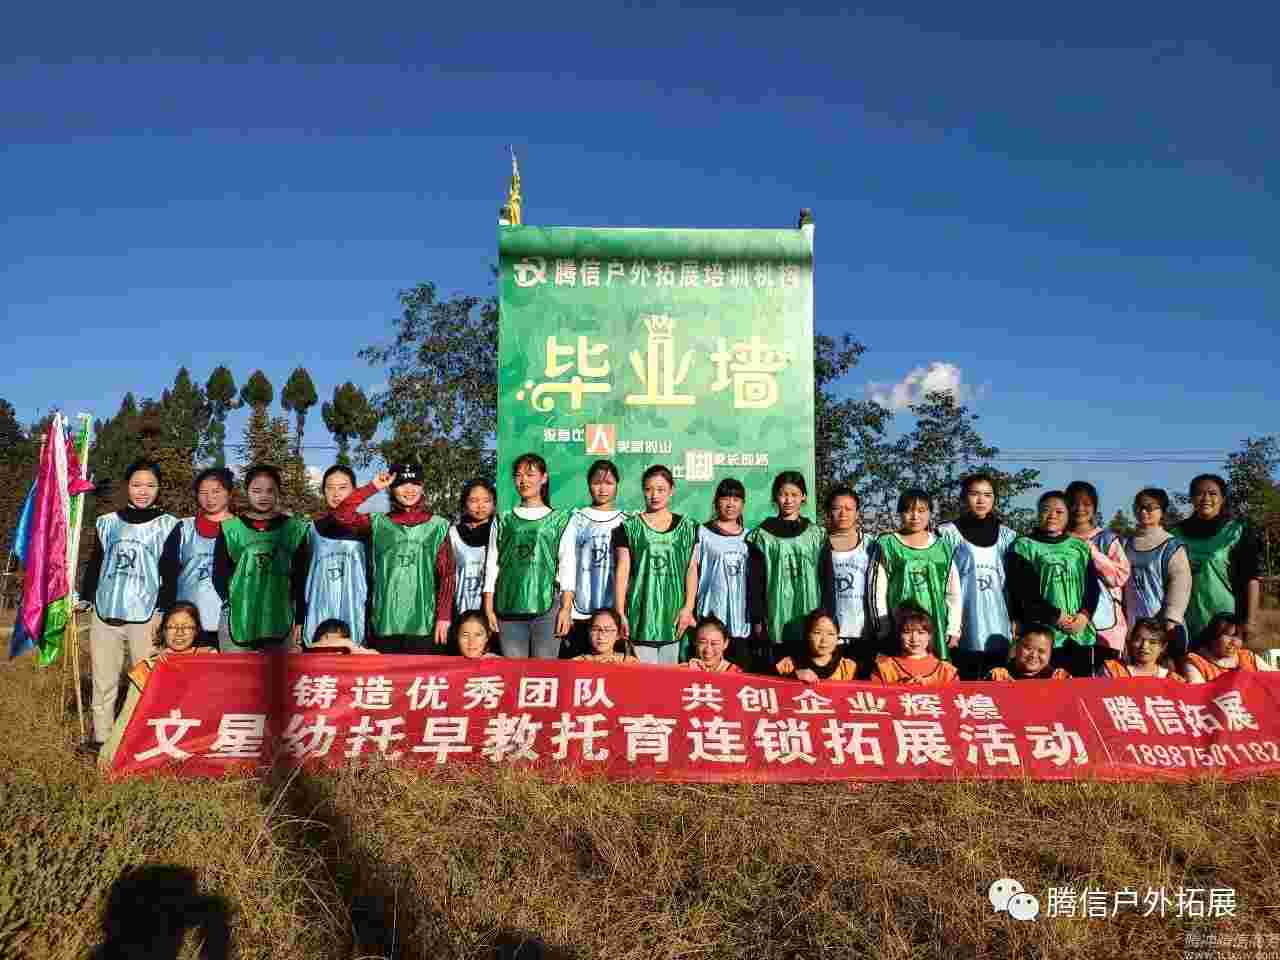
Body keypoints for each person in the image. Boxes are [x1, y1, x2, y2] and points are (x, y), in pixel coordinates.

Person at [81, 459, 179, 751]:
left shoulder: (168, 525)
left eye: (150, 485)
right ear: (127, 486)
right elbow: (95, 564)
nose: (143, 491)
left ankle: (140, 740)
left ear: (159, 489)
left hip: (146, 614)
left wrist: (165, 610)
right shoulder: (107, 522)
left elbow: (171, 571)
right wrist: (85, 597)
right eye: (137, 485)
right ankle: (102, 739)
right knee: (103, 680)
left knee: (145, 681)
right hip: (106, 612)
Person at [333, 463, 454, 655]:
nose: (409, 489)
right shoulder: (378, 523)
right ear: (391, 488)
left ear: (422, 486)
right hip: (385, 621)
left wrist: (444, 616)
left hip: (423, 622)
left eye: (415, 483)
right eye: (402, 484)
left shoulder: (437, 526)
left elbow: (447, 574)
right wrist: (373, 487)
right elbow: (341, 514)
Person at [98, 602, 217, 769]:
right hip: (162, 742)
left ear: (196, 630)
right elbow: (127, 717)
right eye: (172, 627)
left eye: (187, 627)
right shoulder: (148, 668)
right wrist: (107, 756)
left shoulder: (210, 659)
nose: (179, 632)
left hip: (199, 744)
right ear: (163, 631)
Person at [484, 453, 573, 659]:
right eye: (518, 475)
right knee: (514, 671)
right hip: (508, 605)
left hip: (547, 606)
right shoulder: (503, 519)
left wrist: (566, 608)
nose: (523, 480)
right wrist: (488, 607)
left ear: (544, 478)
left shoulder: (560, 519)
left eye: (530, 474)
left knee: (544, 672)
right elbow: (492, 565)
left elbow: (567, 565)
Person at [212, 465, 309, 652]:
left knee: (279, 671)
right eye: (257, 491)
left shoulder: (295, 529)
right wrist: (233, 600)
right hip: (239, 615)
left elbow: (301, 578)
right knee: (235, 670)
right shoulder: (230, 528)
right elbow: (219, 573)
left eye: (270, 491)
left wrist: (299, 619)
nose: (263, 496)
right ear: (247, 491)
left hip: (281, 617)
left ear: (278, 492)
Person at [1006, 490, 1101, 676]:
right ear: (1038, 513)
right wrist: (1056, 616)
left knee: (1079, 687)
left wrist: (1084, 616)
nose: (1052, 516)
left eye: (1059, 512)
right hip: (1043, 635)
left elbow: (1092, 588)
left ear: (1068, 515)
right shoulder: (1023, 546)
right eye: (1046, 510)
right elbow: (1023, 593)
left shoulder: (1079, 547)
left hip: (1079, 633)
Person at [612, 464, 699, 665]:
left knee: (670, 676)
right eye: (649, 489)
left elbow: (691, 568)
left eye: (661, 489)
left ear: (671, 490)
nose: (654, 495)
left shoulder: (688, 527)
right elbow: (622, 571)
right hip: (641, 613)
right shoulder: (629, 527)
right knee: (643, 677)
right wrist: (620, 612)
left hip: (674, 615)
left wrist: (688, 607)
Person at [937, 474, 1018, 680]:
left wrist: (1016, 618)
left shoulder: (1008, 536)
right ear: (964, 497)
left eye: (987, 495)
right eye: (974, 494)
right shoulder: (947, 533)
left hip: (998, 622)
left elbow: (1014, 584)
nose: (981, 500)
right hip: (963, 621)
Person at [1169, 474, 1265, 649]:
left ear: (1223, 498)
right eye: (1199, 493)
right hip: (1183, 620)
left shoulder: (1237, 532)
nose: (1206, 498)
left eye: (1213, 493)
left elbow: (1251, 578)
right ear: (1191, 498)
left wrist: (1250, 621)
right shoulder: (1175, 534)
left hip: (1227, 622)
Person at [868, 489, 962, 660]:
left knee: (934, 669)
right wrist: (883, 626)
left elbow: (953, 592)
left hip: (935, 622)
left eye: (921, 510)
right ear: (899, 513)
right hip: (899, 625)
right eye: (908, 510)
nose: (915, 516)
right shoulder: (887, 544)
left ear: (930, 513)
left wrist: (953, 628)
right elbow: (877, 590)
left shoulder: (942, 547)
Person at [746, 471, 826, 667]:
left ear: (804, 496)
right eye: (783, 494)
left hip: (810, 611)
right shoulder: (762, 535)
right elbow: (755, 582)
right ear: (776, 497)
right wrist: (757, 619)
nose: (788, 500)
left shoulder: (817, 534)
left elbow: (826, 578)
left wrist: (826, 613)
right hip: (775, 614)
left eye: (794, 494)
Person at [158, 467, 234, 648]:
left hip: (229, 621)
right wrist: (165, 611)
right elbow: (168, 573)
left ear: (229, 493)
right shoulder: (184, 528)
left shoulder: (242, 529)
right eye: (203, 492)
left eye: (216, 491)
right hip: (187, 622)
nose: (210, 498)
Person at [557, 460, 627, 658]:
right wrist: (566, 607)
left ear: (617, 485)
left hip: (614, 614)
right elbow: (567, 564)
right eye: (597, 483)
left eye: (609, 483)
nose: (602, 489)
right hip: (582, 611)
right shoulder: (578, 519)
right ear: (588, 485)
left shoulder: (626, 520)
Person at [296, 465, 370, 649]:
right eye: (330, 488)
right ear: (323, 491)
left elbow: (374, 577)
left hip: (355, 612)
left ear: (355, 491)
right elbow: (301, 576)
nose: (336, 493)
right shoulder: (311, 530)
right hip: (318, 613)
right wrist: (299, 619)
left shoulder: (366, 528)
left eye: (343, 487)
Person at [1122, 488, 1192, 658]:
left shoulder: (1172, 546)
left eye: (1150, 507)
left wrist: (1171, 619)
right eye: (1139, 507)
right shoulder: (1124, 544)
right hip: (1133, 627)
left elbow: (1180, 583)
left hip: (1164, 627)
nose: (1143, 511)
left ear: (1162, 511)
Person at [688, 478, 751, 661]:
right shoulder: (702, 532)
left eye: (736, 499)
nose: (730, 504)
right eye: (725, 498)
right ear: (716, 502)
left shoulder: (751, 536)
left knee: (738, 672)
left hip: (740, 619)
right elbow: (692, 569)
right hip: (711, 615)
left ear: (743, 504)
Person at [1066, 480, 1131, 654]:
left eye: (1086, 504)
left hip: (1107, 625)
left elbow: (1120, 576)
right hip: (1069, 622)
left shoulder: (1107, 539)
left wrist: (1092, 552)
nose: (1080, 508)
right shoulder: (1058, 539)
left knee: (1108, 667)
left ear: (1094, 507)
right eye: (1074, 503)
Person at [818, 485, 873, 674]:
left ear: (857, 512)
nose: (843, 514)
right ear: (828, 512)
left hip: (864, 631)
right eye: (837, 508)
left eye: (849, 508)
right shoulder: (818, 544)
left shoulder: (871, 544)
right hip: (829, 635)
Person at [869, 605, 959, 686]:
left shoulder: (947, 671)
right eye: (907, 632)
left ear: (929, 636)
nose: (914, 639)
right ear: (899, 635)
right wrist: (901, 688)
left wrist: (931, 689)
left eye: (921, 632)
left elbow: (956, 696)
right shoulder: (884, 668)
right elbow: (875, 695)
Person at [449, 479, 496, 621]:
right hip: (462, 609)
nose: (480, 506)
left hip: (495, 610)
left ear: (494, 503)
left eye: (486, 500)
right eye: (474, 500)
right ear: (465, 503)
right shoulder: (453, 534)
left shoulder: (500, 532)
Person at [1181, 613, 1275, 683]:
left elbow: (1273, 679)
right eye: (1229, 635)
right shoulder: (1196, 663)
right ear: (1213, 636)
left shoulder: (1249, 658)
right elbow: (1198, 693)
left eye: (1239, 637)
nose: (1235, 642)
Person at [775, 609, 857, 683]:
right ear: (807, 635)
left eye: (831, 634)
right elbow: (771, 684)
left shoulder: (847, 668)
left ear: (837, 637)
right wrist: (793, 676)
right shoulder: (789, 665)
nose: (824, 640)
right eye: (817, 633)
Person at [1096, 617, 1185, 680]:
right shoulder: (1112, 670)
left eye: (1152, 642)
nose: (1144, 646)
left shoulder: (1172, 679)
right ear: (1130, 641)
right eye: (1139, 640)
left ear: (1163, 647)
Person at [985, 625, 1072, 681]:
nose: (1034, 655)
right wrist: (992, 678)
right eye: (1028, 648)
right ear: (1017, 646)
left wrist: (1067, 682)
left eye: (1041, 651)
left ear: (1050, 654)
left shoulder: (1055, 678)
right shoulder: (1003, 674)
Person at [572, 608, 639, 665]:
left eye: (608, 630)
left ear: (618, 635)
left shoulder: (629, 662)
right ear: (589, 632)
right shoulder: (577, 662)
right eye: (595, 629)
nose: (601, 637)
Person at [305, 618, 379, 655]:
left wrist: (351, 646)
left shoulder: (350, 650)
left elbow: (376, 655)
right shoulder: (308, 654)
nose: (330, 644)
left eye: (337, 648)